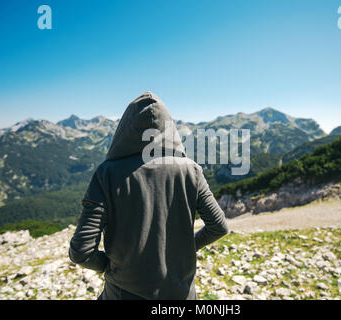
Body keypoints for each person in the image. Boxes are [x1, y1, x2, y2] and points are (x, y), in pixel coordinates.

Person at [68, 91, 229, 300]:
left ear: (125, 127)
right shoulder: (191, 170)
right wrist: (185, 250)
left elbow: (81, 251)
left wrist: (110, 266)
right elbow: (219, 226)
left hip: (122, 293)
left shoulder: (106, 174)